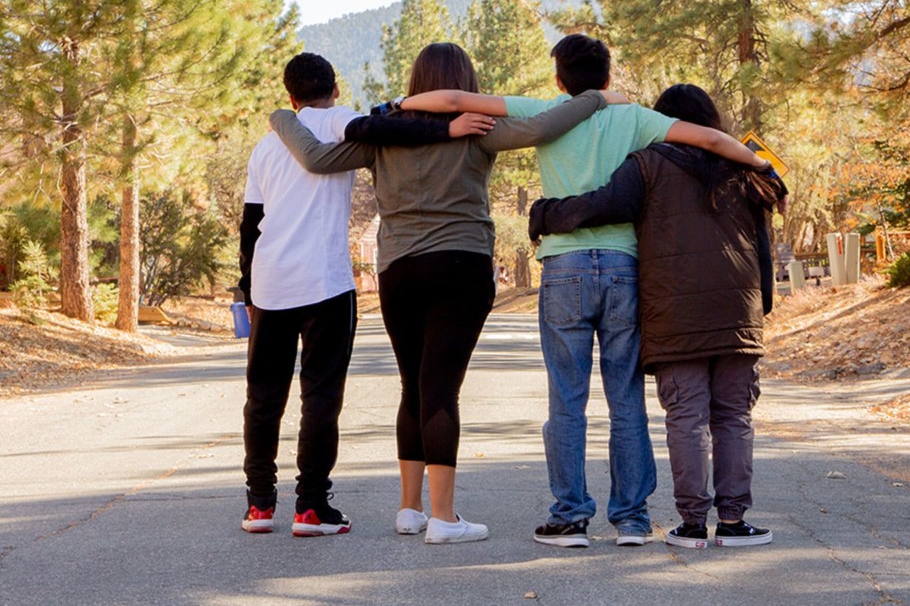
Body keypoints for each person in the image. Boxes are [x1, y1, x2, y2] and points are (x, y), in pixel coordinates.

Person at [390, 34, 771, 548]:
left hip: (563, 267)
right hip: (622, 268)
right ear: (608, 78)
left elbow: (454, 101)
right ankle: (632, 519)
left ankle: (570, 517)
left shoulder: (548, 111)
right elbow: (706, 138)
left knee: (566, 401)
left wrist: (399, 104)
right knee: (626, 399)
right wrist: (760, 164)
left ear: (559, 80)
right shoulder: (635, 118)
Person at [267, 42, 614, 544]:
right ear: (463, 83)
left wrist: (283, 116)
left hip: (398, 269)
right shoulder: (476, 125)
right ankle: (445, 519)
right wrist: (596, 99)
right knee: (441, 390)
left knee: (414, 386)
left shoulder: (386, 133)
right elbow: (544, 126)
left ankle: (410, 509)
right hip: (461, 264)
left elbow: (317, 158)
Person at [239, 52, 492, 537]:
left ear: (290, 96)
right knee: (320, 396)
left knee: (263, 396)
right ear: (335, 88)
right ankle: (311, 508)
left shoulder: (266, 145)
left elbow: (250, 225)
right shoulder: (341, 120)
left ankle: (259, 504)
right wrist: (449, 130)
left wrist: (247, 286)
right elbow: (395, 132)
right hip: (326, 283)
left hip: (270, 281)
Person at [529, 83, 785, 548]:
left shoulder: (647, 166)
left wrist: (545, 215)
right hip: (737, 313)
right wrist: (761, 304)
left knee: (686, 416)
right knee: (733, 416)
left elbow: (598, 206)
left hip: (675, 313)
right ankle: (733, 521)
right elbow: (762, 243)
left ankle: (691, 524)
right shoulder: (744, 168)